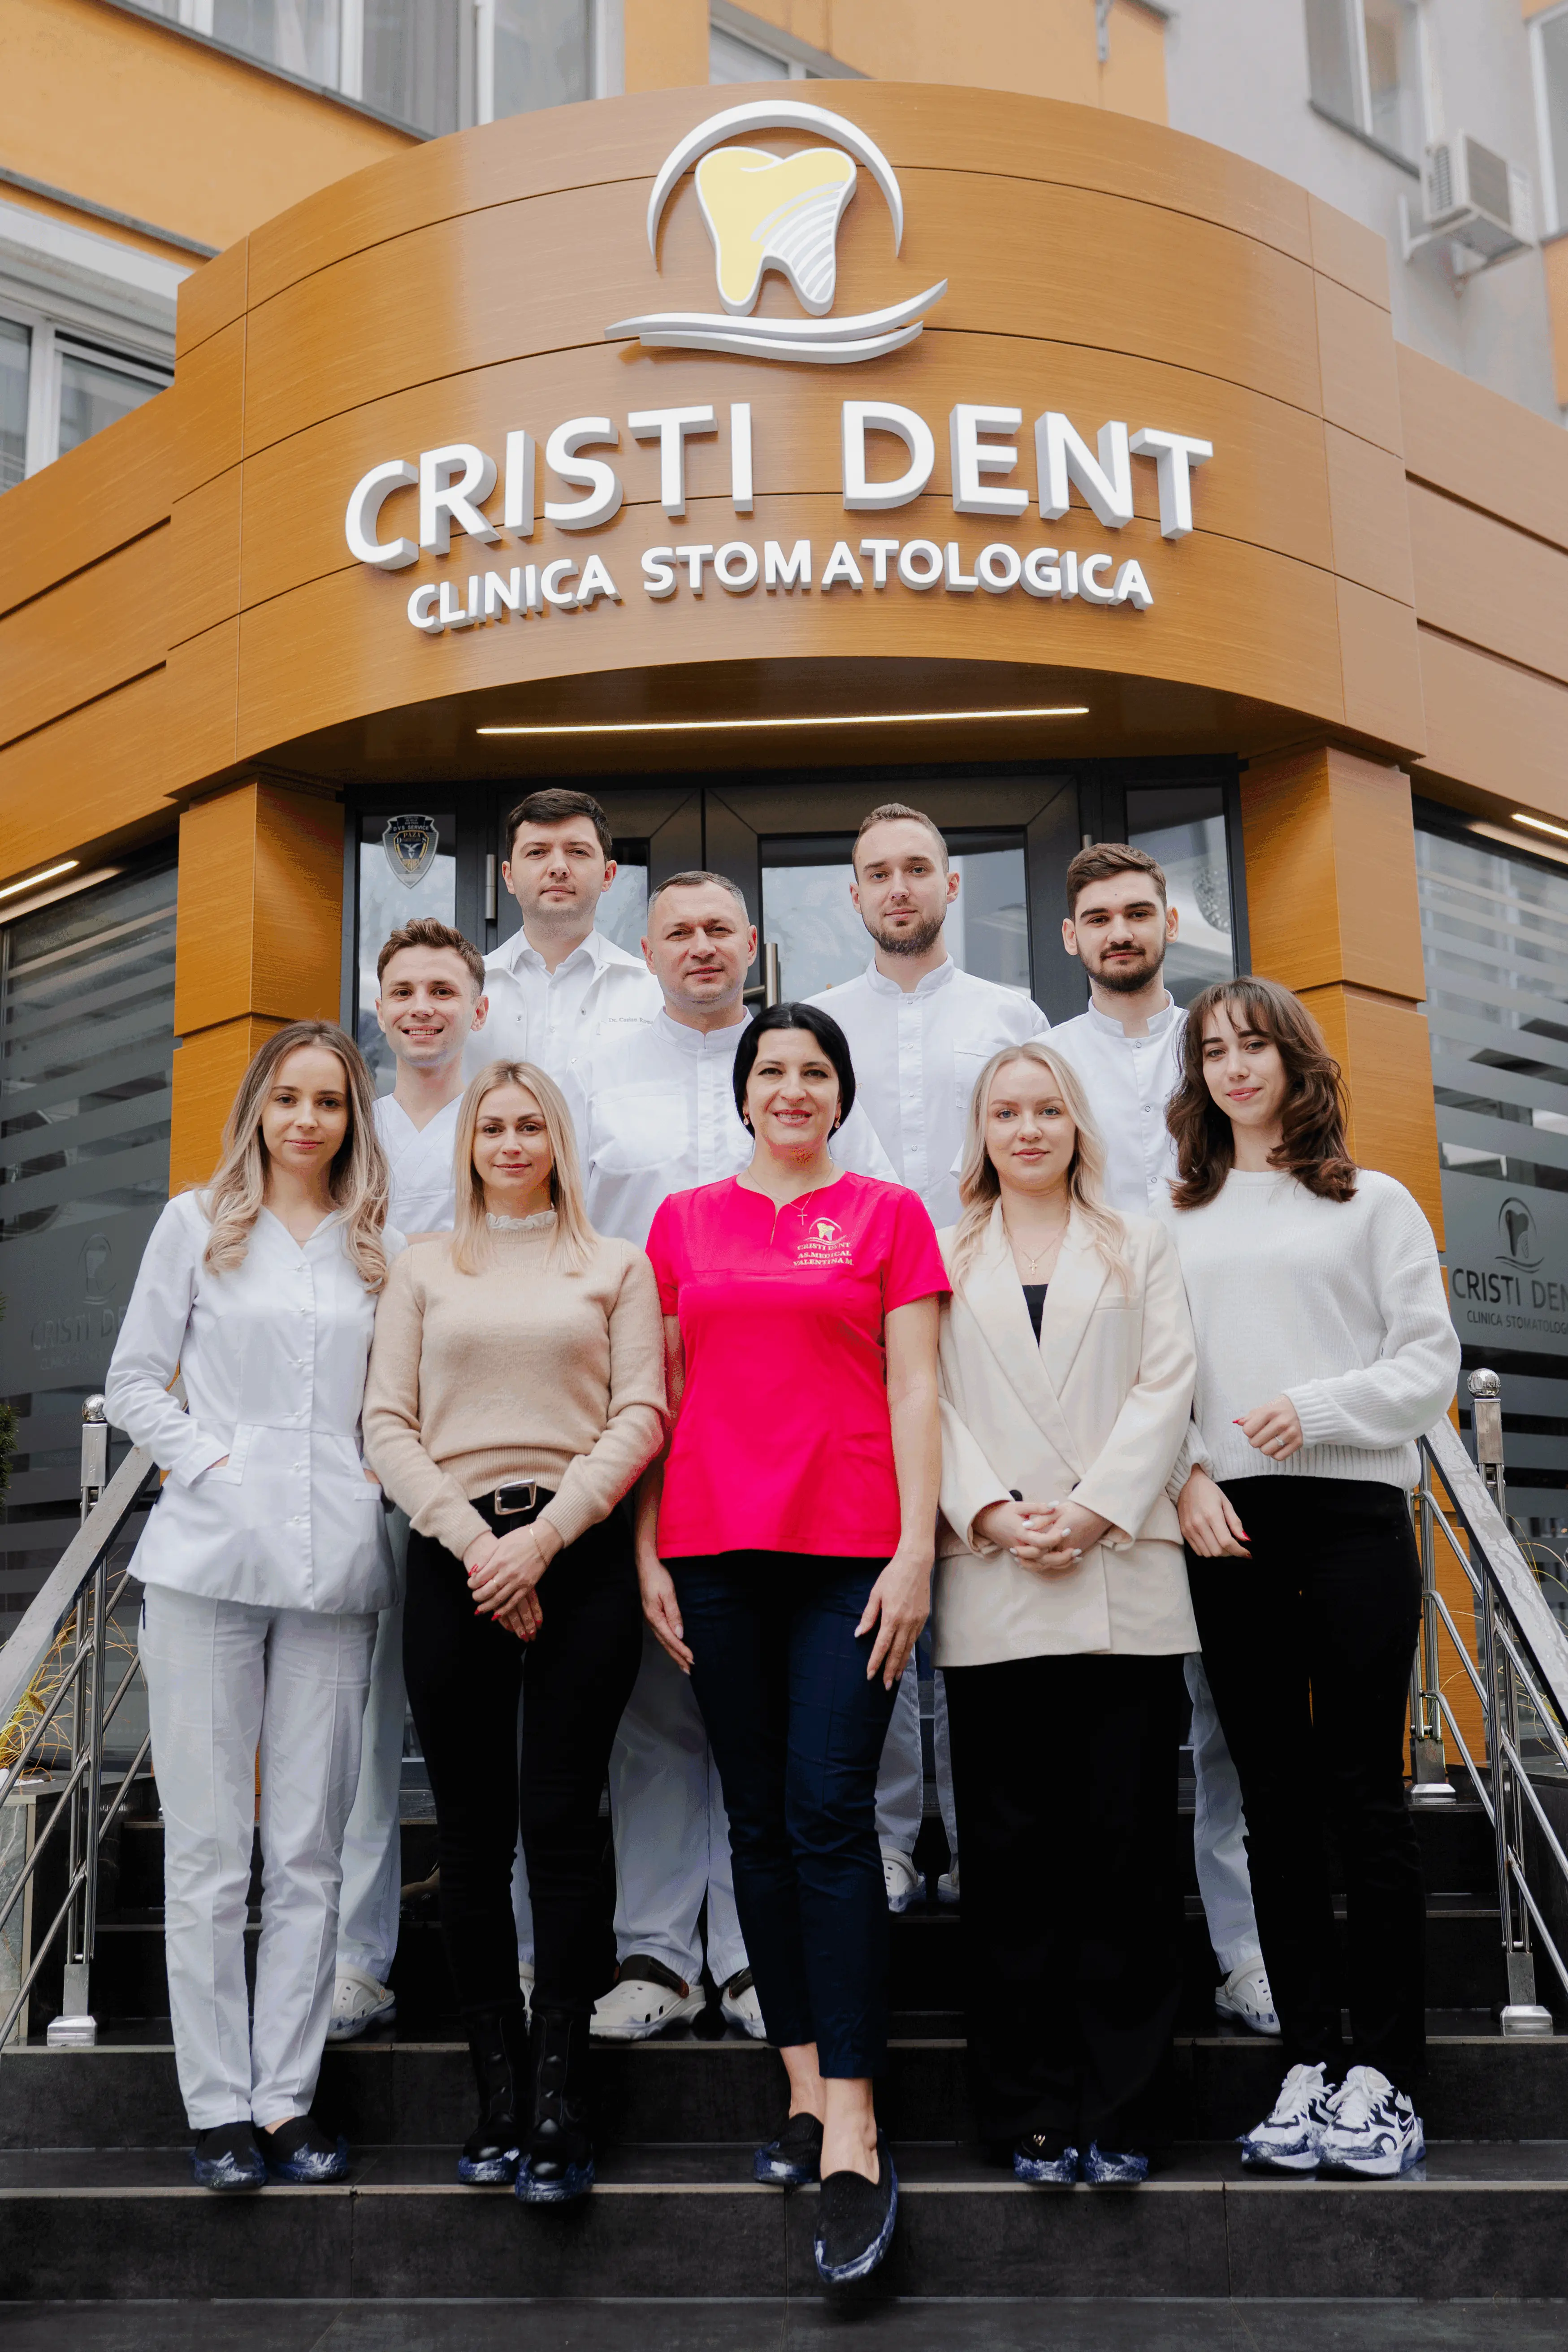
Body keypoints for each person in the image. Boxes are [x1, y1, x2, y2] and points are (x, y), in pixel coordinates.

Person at [638, 1001, 948, 2289]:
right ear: (742, 1089)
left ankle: (860, 2122)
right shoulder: (681, 1220)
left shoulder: (888, 1212)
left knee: (827, 1811)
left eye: (815, 1070)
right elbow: (654, 1389)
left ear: (842, 1089)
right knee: (756, 1819)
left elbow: (919, 1383)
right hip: (712, 1547)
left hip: (850, 1554)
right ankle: (805, 2085)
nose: (792, 1087)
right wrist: (648, 1546)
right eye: (771, 1069)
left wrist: (918, 1548)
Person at [568, 871, 895, 2044]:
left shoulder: (824, 1102)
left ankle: (766, 1964)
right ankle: (661, 1946)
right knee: (662, 1713)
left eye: (720, 929)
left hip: (822, 1473)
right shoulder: (601, 1069)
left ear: (752, 946)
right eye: (679, 931)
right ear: (645, 948)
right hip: (663, 1432)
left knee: (800, 1765)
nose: (701, 946)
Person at [1159, 977, 1459, 2179]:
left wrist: (1315, 1405)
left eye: (1254, 1046)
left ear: (1295, 1059)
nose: (1235, 1067)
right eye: (1213, 1051)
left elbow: (1427, 1364)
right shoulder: (1173, 1214)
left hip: (1349, 1512)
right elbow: (1155, 1373)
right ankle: (1309, 2053)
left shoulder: (1368, 1199)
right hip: (1227, 1520)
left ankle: (1385, 2070)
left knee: (1362, 1796)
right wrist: (1183, 1473)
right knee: (1269, 1797)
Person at [363, 1060, 665, 2201]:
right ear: (468, 1142)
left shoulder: (613, 1264)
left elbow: (640, 1412)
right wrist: (473, 1542)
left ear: (557, 1138)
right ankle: (494, 2087)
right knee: (474, 1834)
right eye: (490, 1124)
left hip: (576, 1554)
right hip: (451, 1559)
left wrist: (540, 1542)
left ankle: (560, 2087)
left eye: (528, 1122)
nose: (508, 1139)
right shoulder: (425, 1267)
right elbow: (386, 1421)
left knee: (562, 1824)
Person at [104, 1022, 398, 2192]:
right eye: (290, 1097)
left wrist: (377, 1469)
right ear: (260, 1106)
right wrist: (215, 1464)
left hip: (336, 1578)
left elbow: (397, 1393)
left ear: (350, 1117)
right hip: (209, 1565)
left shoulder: (379, 1243)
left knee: (312, 1850)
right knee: (213, 1852)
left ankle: (287, 2100)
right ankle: (216, 2104)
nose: (308, 1119)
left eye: (329, 1100)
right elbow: (131, 1379)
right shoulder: (195, 1222)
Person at [934, 1039, 1197, 2186]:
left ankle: (1123, 2104)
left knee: (1125, 1858)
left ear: (1076, 1123)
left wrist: (1090, 1510)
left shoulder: (1137, 1242)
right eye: (1005, 1111)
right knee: (1008, 1864)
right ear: (981, 1131)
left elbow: (1167, 1385)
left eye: (1047, 1109)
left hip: (1118, 1578)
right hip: (992, 1582)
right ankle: (1028, 2110)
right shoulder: (941, 1249)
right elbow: (921, 1400)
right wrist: (990, 1511)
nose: (1027, 1128)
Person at [1051, 840, 1276, 2039]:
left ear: (1171, 920)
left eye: (1139, 911)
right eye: (1099, 915)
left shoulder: (1220, 1042)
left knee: (1229, 1717)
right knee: (1114, 1716)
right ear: (1072, 932)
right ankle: (1114, 1957)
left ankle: (1246, 1950)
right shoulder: (1044, 1060)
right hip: (1089, 1415)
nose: (1121, 929)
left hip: (1223, 1409)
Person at [810, 802, 1049, 1916]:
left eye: (917, 868)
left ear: (951, 886)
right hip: (863, 1320)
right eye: (877, 873)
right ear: (851, 897)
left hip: (995, 1311)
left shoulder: (1007, 1011)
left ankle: (982, 1820)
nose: (897, 887)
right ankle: (895, 1833)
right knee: (890, 1557)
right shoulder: (823, 1024)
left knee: (981, 1549)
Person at [330, 917, 491, 2047]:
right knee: (361, 1724)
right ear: (376, 1007)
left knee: (502, 1733)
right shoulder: (352, 1136)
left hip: (489, 1464)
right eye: (404, 989)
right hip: (360, 1457)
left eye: (444, 988)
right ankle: (354, 1958)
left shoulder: (502, 1126)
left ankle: (526, 1949)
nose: (424, 1006)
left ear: (478, 1007)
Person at [468, 788, 659, 1083]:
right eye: (537, 852)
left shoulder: (652, 992)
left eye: (578, 852)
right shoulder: (469, 991)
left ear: (608, 875)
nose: (558, 868)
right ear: (508, 876)